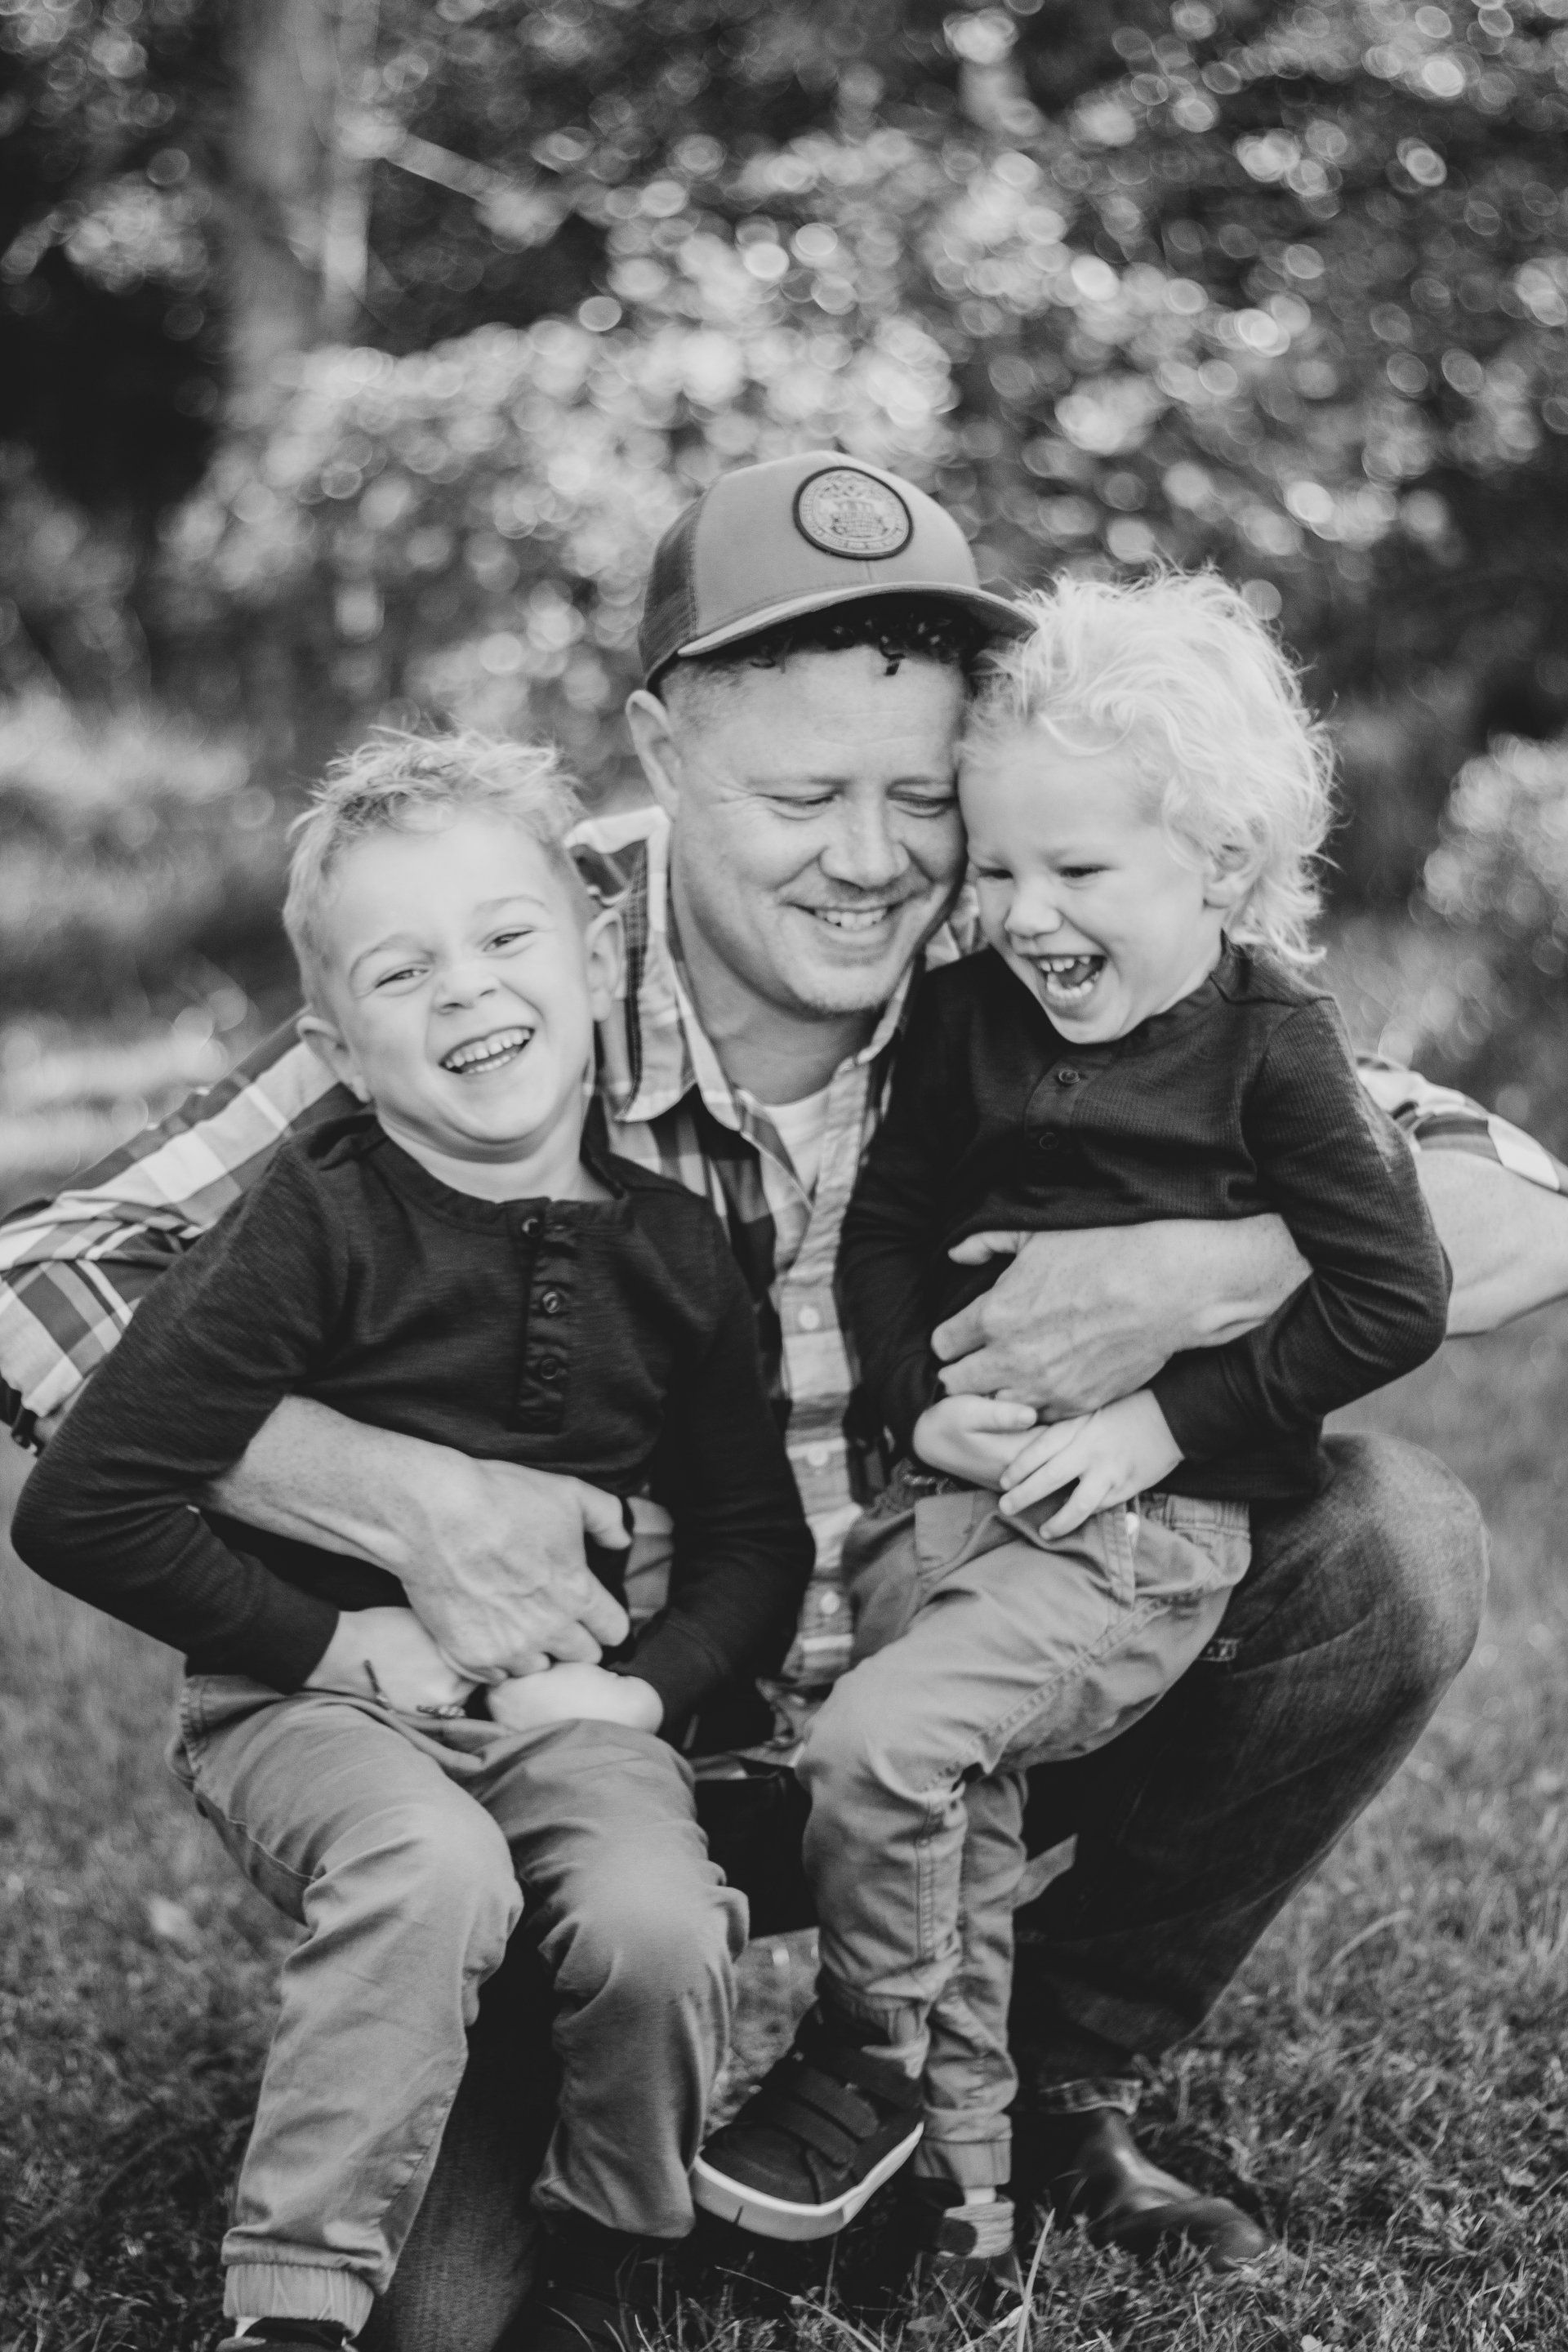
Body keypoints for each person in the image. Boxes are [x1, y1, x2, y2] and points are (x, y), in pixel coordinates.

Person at [0, 452, 1560, 2349]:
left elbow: (1515, 1198)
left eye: (918, 796)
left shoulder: (1034, 941)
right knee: (451, 2314)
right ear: (663, 756)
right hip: (605, 1754)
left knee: (1388, 1541)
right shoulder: (508, 962)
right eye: (802, 796)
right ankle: (564, 2074)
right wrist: (399, 1497)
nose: (874, 857)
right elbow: (42, 1279)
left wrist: (1220, 1268)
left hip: (946, 1693)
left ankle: (1028, 2087)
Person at [8, 737, 812, 2352]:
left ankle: (621, 2245)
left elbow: (750, 1540)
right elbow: (82, 1503)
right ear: (339, 1048)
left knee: (659, 1919)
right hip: (309, 1708)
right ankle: (292, 2302)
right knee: (428, 1871)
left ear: (592, 957)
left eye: (507, 939)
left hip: (562, 1714)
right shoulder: (307, 1221)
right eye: (403, 968)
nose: (465, 989)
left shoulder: (674, 1247)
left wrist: (643, 1698)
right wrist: (330, 1645)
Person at [691, 571, 1452, 2274]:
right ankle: (954, 2205)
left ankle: (859, 2063)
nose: (1027, 913)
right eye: (1003, 865)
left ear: (1227, 864)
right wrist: (918, 1407)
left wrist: (1168, 1419)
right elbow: (886, 1232)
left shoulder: (1276, 1047)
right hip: (947, 1506)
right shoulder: (966, 1015)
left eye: (1080, 871)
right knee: (951, 1845)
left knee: (893, 1752)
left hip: (1126, 1530)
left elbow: (1392, 1290)